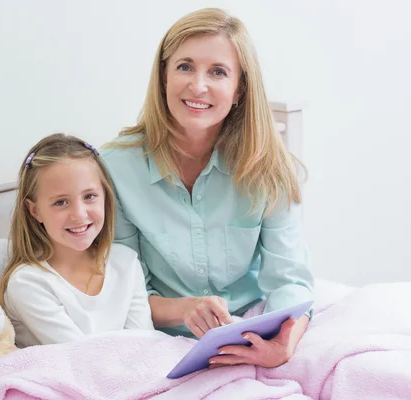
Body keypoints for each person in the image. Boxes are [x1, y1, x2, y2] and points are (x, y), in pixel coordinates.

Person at [100, 8, 314, 369]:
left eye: (218, 72)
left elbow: (290, 281)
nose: (198, 86)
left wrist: (283, 343)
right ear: (164, 76)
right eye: (184, 66)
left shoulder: (270, 167)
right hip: (161, 339)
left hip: (254, 327)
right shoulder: (115, 169)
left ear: (239, 88)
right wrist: (186, 310)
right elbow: (123, 293)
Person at [0, 133, 154, 348]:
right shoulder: (28, 283)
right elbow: (83, 360)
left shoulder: (126, 262)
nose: (79, 215)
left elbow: (145, 346)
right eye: (61, 202)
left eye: (89, 196)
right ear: (35, 211)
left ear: (105, 197)